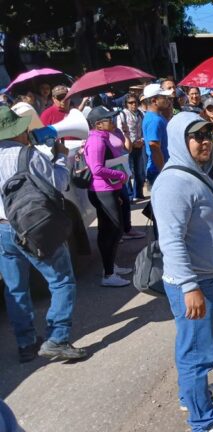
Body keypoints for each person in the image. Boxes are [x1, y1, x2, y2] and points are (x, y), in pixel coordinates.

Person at [152, 112, 213, 432]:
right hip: (192, 281)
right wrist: (190, 285)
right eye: (197, 136)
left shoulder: (194, 173)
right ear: (180, 140)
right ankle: (203, 422)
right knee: (197, 352)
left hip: (207, 275)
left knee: (194, 346)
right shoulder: (174, 182)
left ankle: (190, 393)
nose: (206, 141)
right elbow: (172, 241)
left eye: (210, 134)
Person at [0, 106, 87, 363]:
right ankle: (57, 338)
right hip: (33, 227)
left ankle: (26, 343)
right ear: (17, 132)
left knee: (15, 288)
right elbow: (59, 184)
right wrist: (61, 157)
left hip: (3, 229)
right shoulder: (27, 155)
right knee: (61, 280)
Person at [83, 107, 132, 287]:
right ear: (98, 124)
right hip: (102, 190)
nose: (113, 121)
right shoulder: (97, 141)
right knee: (112, 230)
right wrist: (120, 175)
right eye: (109, 119)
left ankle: (110, 266)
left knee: (113, 230)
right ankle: (108, 274)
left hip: (109, 190)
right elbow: (96, 168)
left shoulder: (103, 137)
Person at [141, 83, 174, 186]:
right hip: (158, 170)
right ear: (154, 101)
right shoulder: (154, 120)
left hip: (160, 168)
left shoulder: (157, 117)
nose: (167, 99)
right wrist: (163, 171)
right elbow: (154, 147)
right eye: (163, 97)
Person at [116, 94, 146, 201]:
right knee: (128, 171)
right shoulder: (122, 114)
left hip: (139, 145)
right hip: (127, 146)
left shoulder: (141, 114)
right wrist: (132, 142)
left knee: (139, 171)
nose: (134, 104)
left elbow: (144, 130)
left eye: (135, 102)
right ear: (126, 104)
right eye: (131, 102)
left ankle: (138, 193)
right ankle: (129, 195)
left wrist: (142, 141)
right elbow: (120, 131)